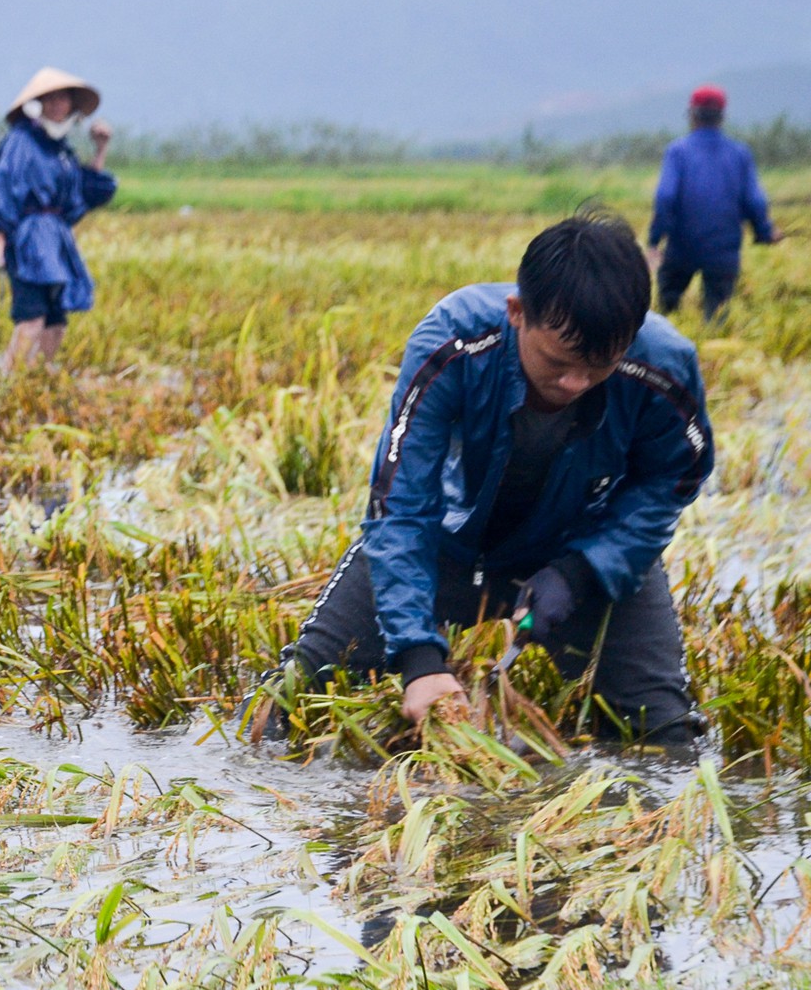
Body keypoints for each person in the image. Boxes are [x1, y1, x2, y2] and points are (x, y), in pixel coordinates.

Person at [255, 210, 713, 745]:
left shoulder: (664, 366)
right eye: (559, 361)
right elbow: (400, 504)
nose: (575, 383)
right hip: (449, 549)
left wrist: (584, 571)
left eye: (600, 366)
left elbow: (672, 483)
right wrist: (420, 659)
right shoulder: (453, 341)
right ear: (517, 312)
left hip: (580, 553)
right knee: (285, 700)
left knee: (665, 737)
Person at [0, 68, 117, 368]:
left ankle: (38, 381)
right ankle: (6, 385)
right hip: (28, 240)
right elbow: (2, 186)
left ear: (71, 105)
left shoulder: (60, 151)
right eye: (49, 99)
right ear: (36, 104)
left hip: (55, 243)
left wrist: (100, 149)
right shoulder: (21, 141)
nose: (57, 105)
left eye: (63, 98)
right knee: (31, 318)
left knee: (56, 321)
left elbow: (88, 191)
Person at [647, 85, 777, 321]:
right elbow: (754, 200)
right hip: (723, 253)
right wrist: (764, 232)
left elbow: (665, 197)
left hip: (681, 248)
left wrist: (655, 240)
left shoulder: (677, 152)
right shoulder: (740, 154)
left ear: (692, 115)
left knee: (667, 310)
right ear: (722, 117)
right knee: (717, 317)